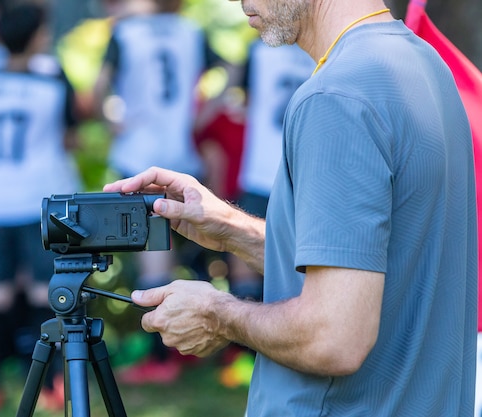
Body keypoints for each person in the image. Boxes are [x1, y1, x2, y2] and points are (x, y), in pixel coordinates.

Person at [103, 0, 477, 415]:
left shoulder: (336, 95)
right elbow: (372, 270)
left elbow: (334, 337)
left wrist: (218, 313)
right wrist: (232, 228)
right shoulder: (422, 62)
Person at [93, 0, 229, 384]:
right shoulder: (190, 30)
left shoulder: (124, 32)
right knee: (190, 243)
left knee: (153, 254)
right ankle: (192, 345)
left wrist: (111, 120)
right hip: (181, 153)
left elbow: (100, 86)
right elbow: (231, 70)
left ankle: (161, 353)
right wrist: (204, 113)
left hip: (138, 156)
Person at [0, 1, 81, 412]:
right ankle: (50, 386)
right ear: (36, 36)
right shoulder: (52, 82)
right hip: (40, 202)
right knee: (43, 292)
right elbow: (72, 137)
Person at [227, 40, 313, 303]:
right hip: (304, 177)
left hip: (262, 173)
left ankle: (248, 334)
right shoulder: (323, 49)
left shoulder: (259, 50)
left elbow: (238, 100)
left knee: (242, 253)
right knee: (302, 264)